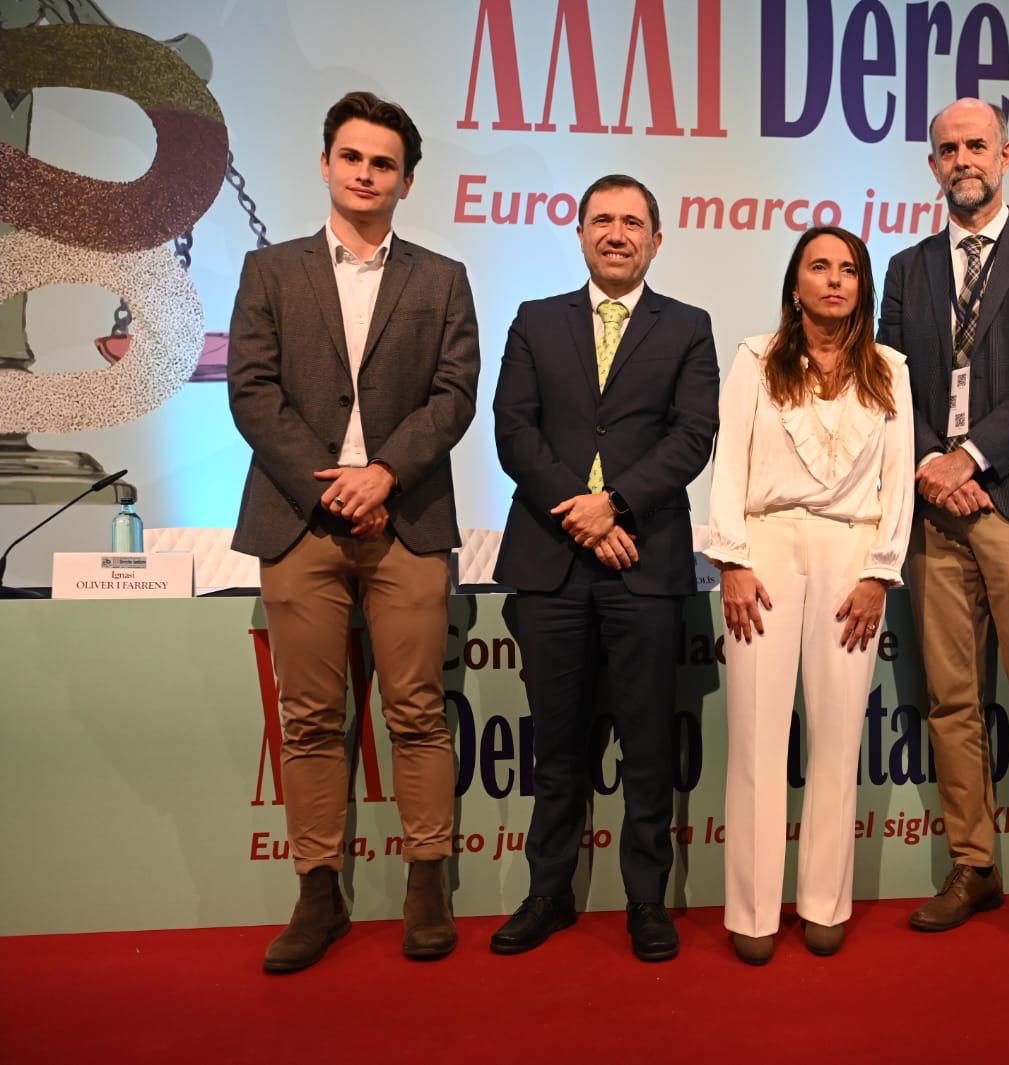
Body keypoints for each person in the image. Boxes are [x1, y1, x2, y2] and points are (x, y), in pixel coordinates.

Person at [228, 91, 480, 972]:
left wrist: (385, 474)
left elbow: (454, 394)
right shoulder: (270, 269)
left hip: (407, 520)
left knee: (417, 711)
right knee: (307, 719)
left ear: (407, 181)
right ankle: (318, 892)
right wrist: (335, 486)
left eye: (383, 163)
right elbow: (252, 391)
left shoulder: (442, 277)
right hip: (298, 519)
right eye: (352, 157)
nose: (366, 174)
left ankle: (426, 884)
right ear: (325, 163)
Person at [877, 99, 1009, 962]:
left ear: (1006, 156)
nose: (962, 158)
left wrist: (970, 457)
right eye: (948, 148)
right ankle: (974, 866)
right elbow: (889, 381)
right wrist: (934, 462)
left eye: (977, 144)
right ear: (932, 165)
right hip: (936, 512)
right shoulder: (907, 268)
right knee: (952, 704)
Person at [490, 174, 718, 962]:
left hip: (645, 562)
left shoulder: (687, 326)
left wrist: (615, 503)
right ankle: (548, 892)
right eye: (602, 220)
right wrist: (583, 514)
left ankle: (646, 901)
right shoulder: (535, 319)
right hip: (551, 561)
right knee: (556, 747)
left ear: (657, 238)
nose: (616, 234)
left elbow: (692, 436)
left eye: (632, 222)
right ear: (580, 231)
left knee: (648, 747)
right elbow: (513, 430)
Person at [705, 226, 915, 965]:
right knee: (756, 739)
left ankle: (826, 901)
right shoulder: (755, 358)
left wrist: (880, 572)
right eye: (818, 267)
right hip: (763, 551)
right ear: (795, 284)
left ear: (862, 285)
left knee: (837, 735)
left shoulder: (891, 369)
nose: (833, 279)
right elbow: (728, 466)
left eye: (847, 269)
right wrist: (731, 560)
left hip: (851, 557)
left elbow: (899, 480)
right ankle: (752, 909)